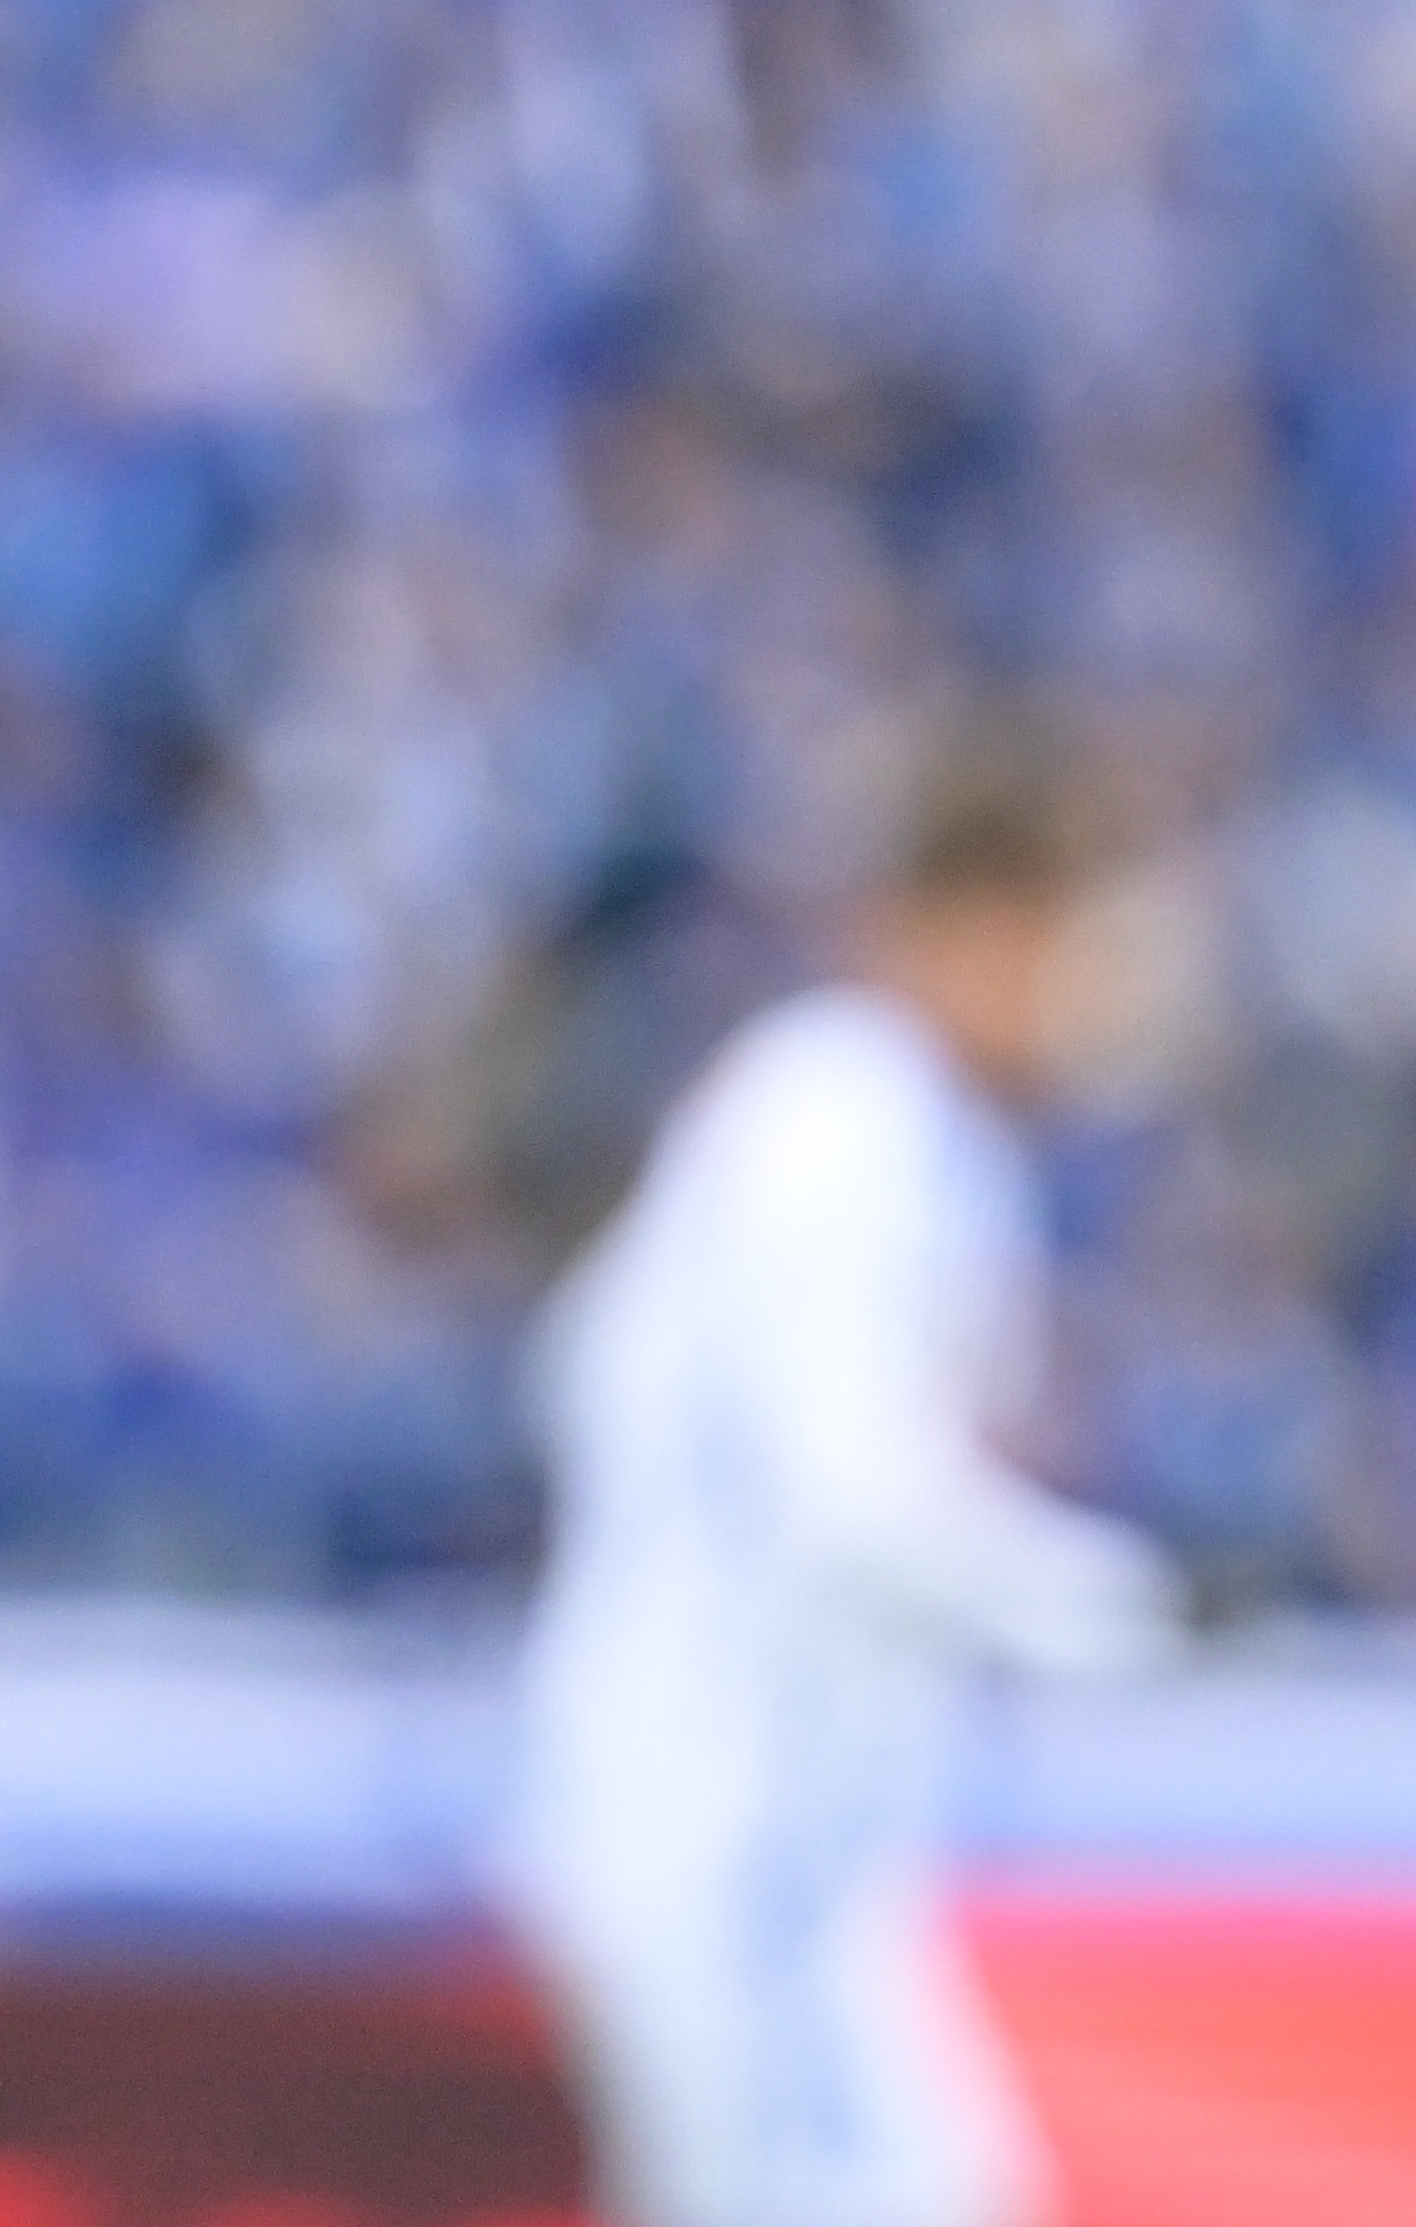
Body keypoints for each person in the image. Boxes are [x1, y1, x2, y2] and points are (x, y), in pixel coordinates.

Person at [502, 730, 1183, 2227]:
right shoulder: (837, 1117)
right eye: (1100, 943)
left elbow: (584, 1368)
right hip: (710, 1833)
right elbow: (853, 1495)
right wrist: (1123, 1607)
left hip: (810, 1842)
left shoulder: (932, 1141)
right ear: (991, 925)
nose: (1129, 996)